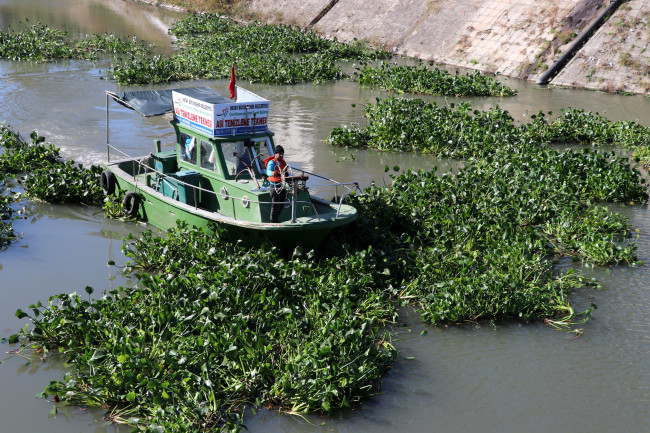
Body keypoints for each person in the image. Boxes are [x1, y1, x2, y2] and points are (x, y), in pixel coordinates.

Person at [264, 145, 290, 223]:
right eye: (280, 153)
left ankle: (276, 220)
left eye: (282, 153)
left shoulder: (282, 162)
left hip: (282, 186)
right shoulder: (272, 162)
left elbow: (286, 174)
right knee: (275, 206)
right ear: (275, 153)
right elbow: (268, 171)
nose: (281, 155)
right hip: (275, 187)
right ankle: (273, 222)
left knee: (281, 205)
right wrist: (272, 173)